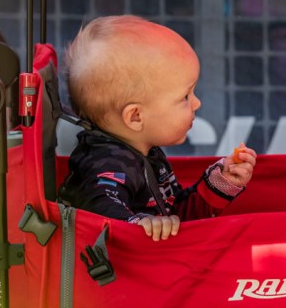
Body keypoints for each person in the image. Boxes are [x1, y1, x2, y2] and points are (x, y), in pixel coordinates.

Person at [59, 15, 257, 240]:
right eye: (185, 96)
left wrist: (220, 183)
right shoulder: (107, 164)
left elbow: (178, 217)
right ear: (136, 117)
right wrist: (139, 225)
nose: (197, 103)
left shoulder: (146, 154)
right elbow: (98, 213)